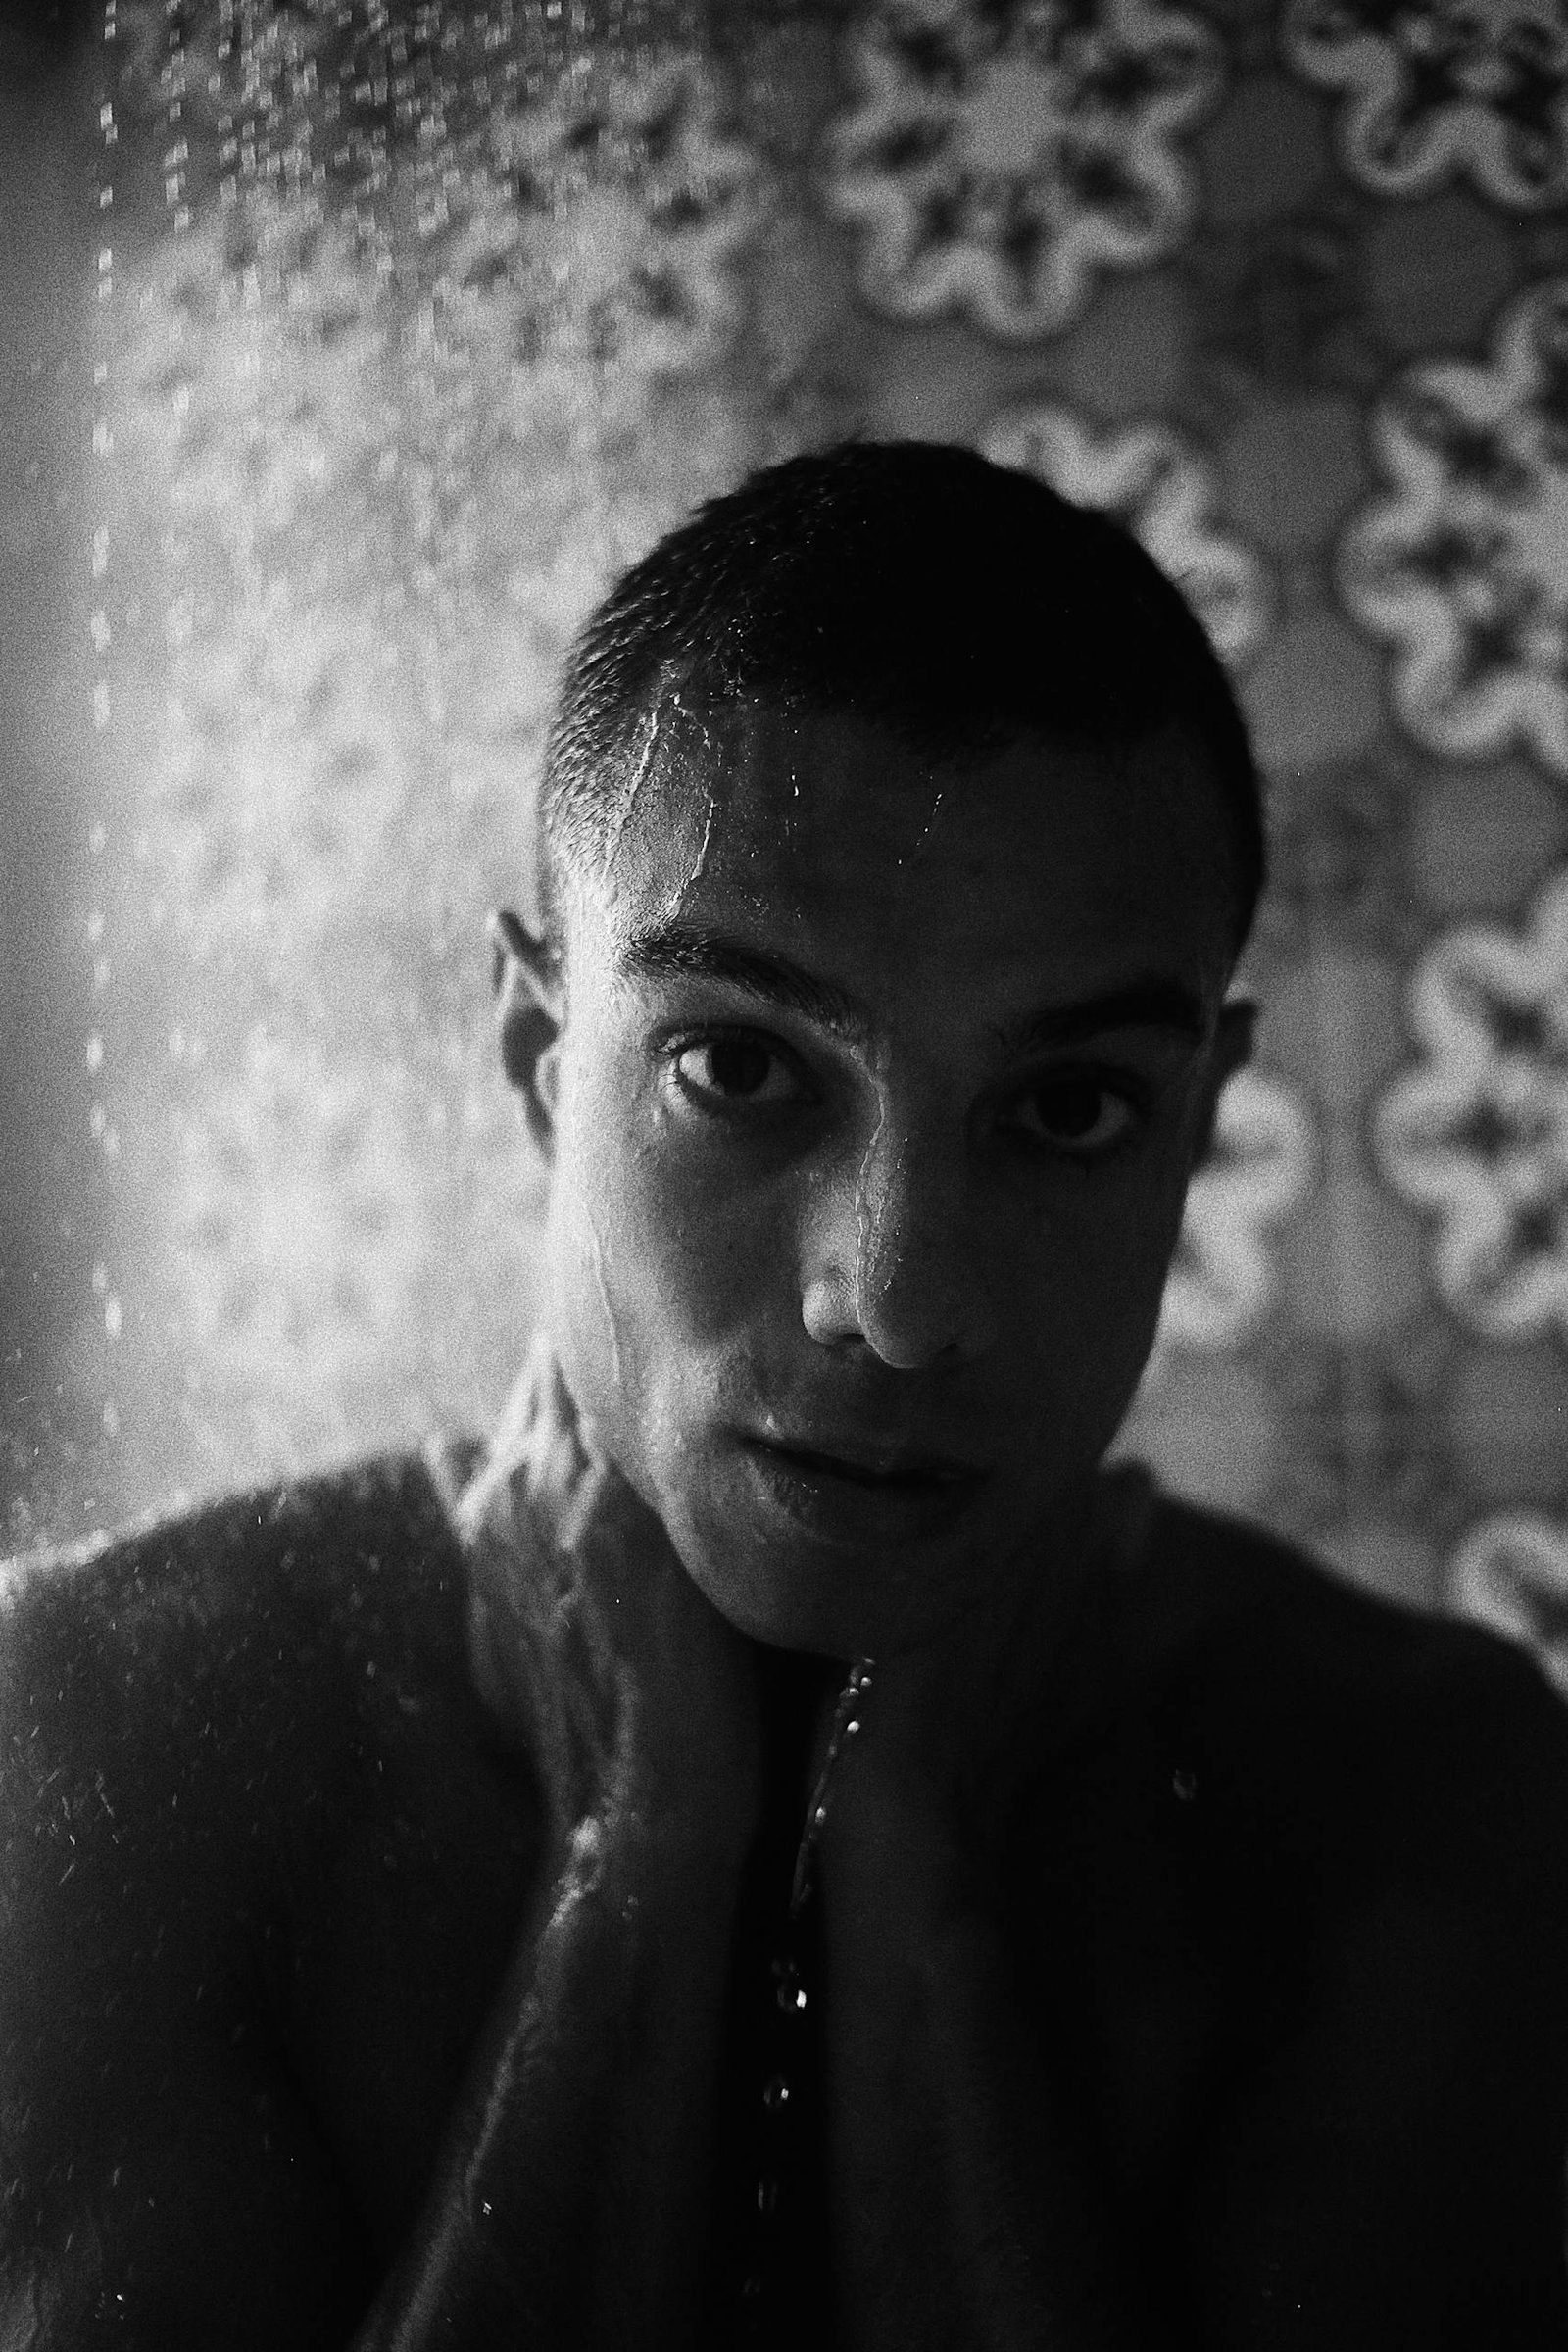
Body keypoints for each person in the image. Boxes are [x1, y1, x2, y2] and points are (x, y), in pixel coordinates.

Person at [2, 441, 1567, 2352]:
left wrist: (904, 1904)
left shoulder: (1416, 1783)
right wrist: (637, 1867)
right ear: (532, 1061)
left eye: (1067, 1109)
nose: (896, 1303)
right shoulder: (102, 1721)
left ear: (1195, 1127)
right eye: (738, 1069)